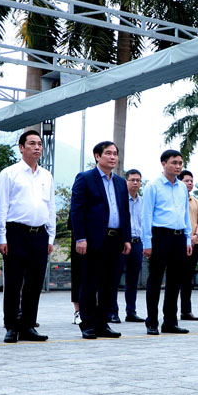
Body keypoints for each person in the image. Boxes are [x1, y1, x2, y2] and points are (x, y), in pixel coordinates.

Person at [0, 130, 55, 343]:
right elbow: (1, 207)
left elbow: (51, 208)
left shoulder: (46, 176)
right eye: (32, 143)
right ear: (21, 147)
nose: (37, 147)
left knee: (35, 281)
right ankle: (11, 326)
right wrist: (1, 237)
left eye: (39, 143)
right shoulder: (9, 173)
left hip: (39, 233)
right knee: (13, 281)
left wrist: (50, 237)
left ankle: (28, 325)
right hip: (15, 232)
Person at [69, 141, 130, 339]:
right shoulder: (85, 178)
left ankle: (102, 323)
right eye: (108, 153)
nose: (113, 157)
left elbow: (124, 212)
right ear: (97, 156)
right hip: (93, 240)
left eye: (115, 153)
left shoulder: (120, 182)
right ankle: (87, 324)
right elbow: (76, 211)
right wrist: (80, 237)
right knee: (89, 282)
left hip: (115, 239)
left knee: (110, 284)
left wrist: (127, 239)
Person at [141, 151, 193, 335]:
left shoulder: (181, 187)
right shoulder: (152, 186)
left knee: (175, 280)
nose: (178, 166)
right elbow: (146, 215)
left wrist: (188, 238)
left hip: (179, 236)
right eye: (174, 162)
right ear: (163, 164)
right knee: (155, 279)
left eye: (180, 162)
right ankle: (152, 322)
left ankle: (170, 321)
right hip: (160, 235)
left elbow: (186, 214)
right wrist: (147, 242)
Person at [117, 169, 144, 323]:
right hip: (121, 243)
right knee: (114, 278)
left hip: (137, 243)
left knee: (133, 280)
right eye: (132, 180)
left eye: (138, 180)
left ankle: (131, 311)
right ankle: (112, 312)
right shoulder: (121, 200)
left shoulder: (143, 201)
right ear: (125, 181)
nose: (135, 183)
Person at [178, 169, 198, 321]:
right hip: (180, 242)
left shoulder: (196, 201)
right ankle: (170, 311)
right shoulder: (175, 200)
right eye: (186, 180)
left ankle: (186, 311)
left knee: (188, 279)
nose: (189, 183)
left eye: (191, 181)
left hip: (195, 243)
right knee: (176, 278)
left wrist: (196, 235)